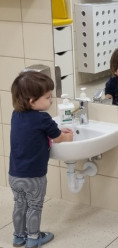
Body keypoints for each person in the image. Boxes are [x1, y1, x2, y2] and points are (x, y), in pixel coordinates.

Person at [9, 71, 73, 248]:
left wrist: (55, 131)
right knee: (35, 206)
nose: (51, 100)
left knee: (20, 204)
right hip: (34, 176)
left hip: (14, 174)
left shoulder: (16, 114)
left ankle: (18, 237)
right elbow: (58, 137)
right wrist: (67, 136)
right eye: (47, 97)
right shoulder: (43, 117)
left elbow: (33, 132)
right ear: (32, 101)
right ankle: (33, 238)